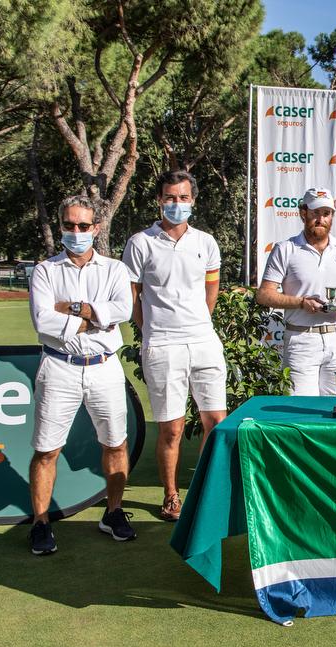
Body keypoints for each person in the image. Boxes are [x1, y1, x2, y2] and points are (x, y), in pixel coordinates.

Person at [27, 195, 135, 555]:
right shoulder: (45, 270)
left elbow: (123, 309)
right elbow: (44, 320)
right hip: (59, 367)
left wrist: (71, 311)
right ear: (61, 227)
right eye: (70, 225)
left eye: (83, 226)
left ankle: (113, 512)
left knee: (116, 443)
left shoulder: (115, 269)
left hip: (104, 367)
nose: (77, 232)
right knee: (46, 450)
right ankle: (40, 522)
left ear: (97, 228)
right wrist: (94, 318)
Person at [122, 170, 227, 522]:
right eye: (170, 197)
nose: (176, 204)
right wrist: (152, 328)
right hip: (162, 346)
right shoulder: (140, 243)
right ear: (159, 200)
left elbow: (210, 291)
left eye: (183, 198)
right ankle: (170, 495)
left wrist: (199, 321)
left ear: (193, 201)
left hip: (204, 341)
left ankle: (207, 491)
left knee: (216, 421)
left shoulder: (206, 242)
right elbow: (132, 298)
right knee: (172, 428)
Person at [255, 187, 336, 395]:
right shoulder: (285, 248)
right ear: (303, 212)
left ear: (332, 216)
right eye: (315, 213)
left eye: (326, 213)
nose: (320, 219)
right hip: (301, 339)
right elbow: (264, 295)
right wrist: (300, 302)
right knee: (301, 410)